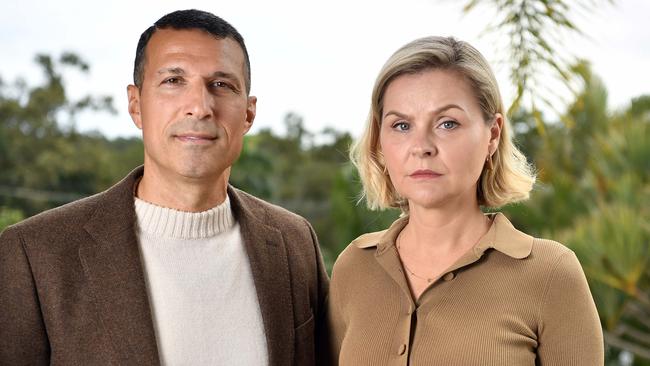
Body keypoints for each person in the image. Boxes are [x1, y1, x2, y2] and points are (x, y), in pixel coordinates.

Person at [0, 9, 328, 366]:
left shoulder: (295, 243)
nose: (200, 107)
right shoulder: (34, 254)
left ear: (248, 113)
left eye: (221, 85)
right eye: (174, 80)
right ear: (135, 104)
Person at [324, 36, 603, 365]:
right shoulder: (354, 266)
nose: (422, 146)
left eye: (447, 123)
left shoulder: (550, 273)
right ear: (380, 140)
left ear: (493, 135)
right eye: (401, 125)